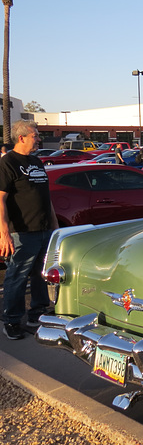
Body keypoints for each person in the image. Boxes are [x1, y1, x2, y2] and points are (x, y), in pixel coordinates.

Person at [0, 120, 59, 340]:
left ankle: (38, 314)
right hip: (22, 232)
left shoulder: (36, 161)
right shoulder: (8, 163)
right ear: (22, 137)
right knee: (16, 277)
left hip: (44, 230)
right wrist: (4, 234)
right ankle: (12, 321)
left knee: (40, 275)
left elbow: (46, 197)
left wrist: (54, 226)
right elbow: (0, 201)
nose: (38, 138)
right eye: (35, 134)